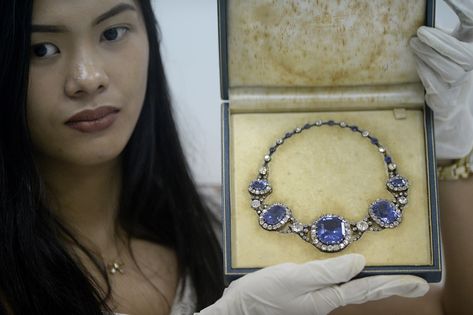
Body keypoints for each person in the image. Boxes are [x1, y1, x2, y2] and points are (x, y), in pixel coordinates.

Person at [0, 1, 471, 315]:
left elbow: (449, 308)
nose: (87, 77)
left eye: (113, 32)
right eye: (42, 49)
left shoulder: (226, 225)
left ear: (150, 38)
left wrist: (453, 150)